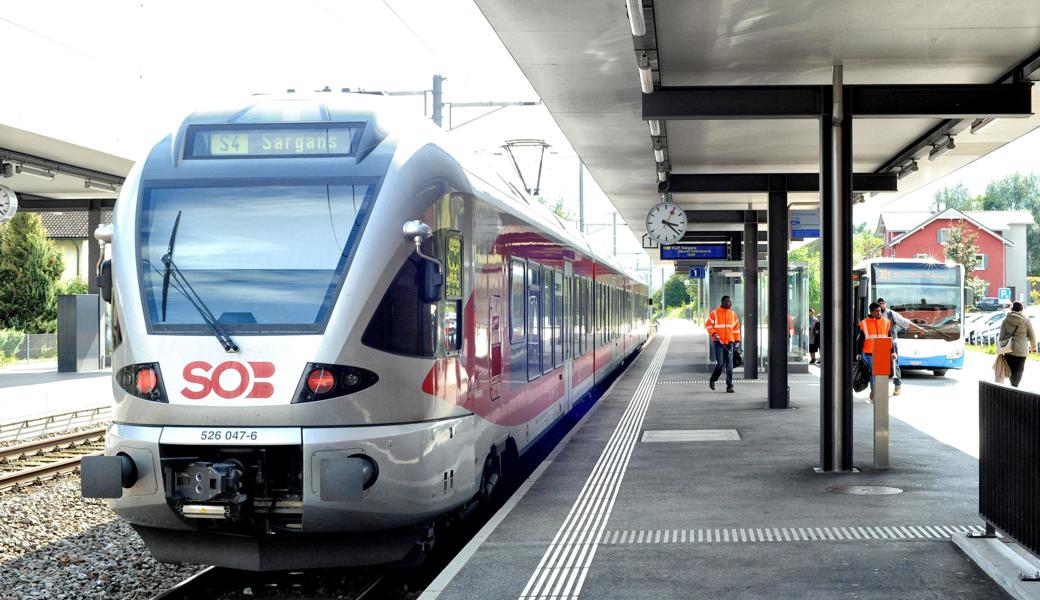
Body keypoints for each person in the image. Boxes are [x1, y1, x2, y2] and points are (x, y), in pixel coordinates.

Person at [876, 298, 925, 396]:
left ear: (886, 304)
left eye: (883, 303)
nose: (881, 305)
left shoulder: (891, 314)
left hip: (891, 343)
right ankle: (878, 389)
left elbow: (905, 322)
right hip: (878, 345)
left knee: (894, 365)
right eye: (880, 303)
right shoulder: (874, 316)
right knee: (878, 368)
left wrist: (919, 328)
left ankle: (897, 386)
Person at [855, 302, 894, 402]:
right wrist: (858, 353)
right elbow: (860, 340)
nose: (878, 313)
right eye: (876, 311)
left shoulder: (886, 322)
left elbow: (890, 338)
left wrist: (892, 351)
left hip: (883, 352)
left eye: (879, 311)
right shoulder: (864, 323)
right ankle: (875, 395)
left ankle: (877, 395)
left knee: (881, 375)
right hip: (869, 352)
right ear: (871, 312)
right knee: (873, 374)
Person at [705, 295, 741, 393]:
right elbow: (708, 324)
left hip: (730, 343)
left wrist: (737, 341)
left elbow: (736, 329)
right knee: (720, 364)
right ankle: (713, 379)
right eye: (728, 302)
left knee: (729, 366)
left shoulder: (733, 315)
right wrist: (714, 333)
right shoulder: (715, 313)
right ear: (722, 302)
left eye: (730, 302)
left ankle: (730, 386)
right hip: (719, 343)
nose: (730, 303)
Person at [998, 301, 1036, 387]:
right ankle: (1015, 386)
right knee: (1019, 369)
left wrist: (1000, 349)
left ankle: (1013, 386)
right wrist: (1034, 347)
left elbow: (1001, 336)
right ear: (1021, 310)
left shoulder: (1005, 320)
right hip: (1021, 350)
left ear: (1012, 309)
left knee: (1010, 369)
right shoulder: (1026, 321)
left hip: (1008, 349)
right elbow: (1032, 335)